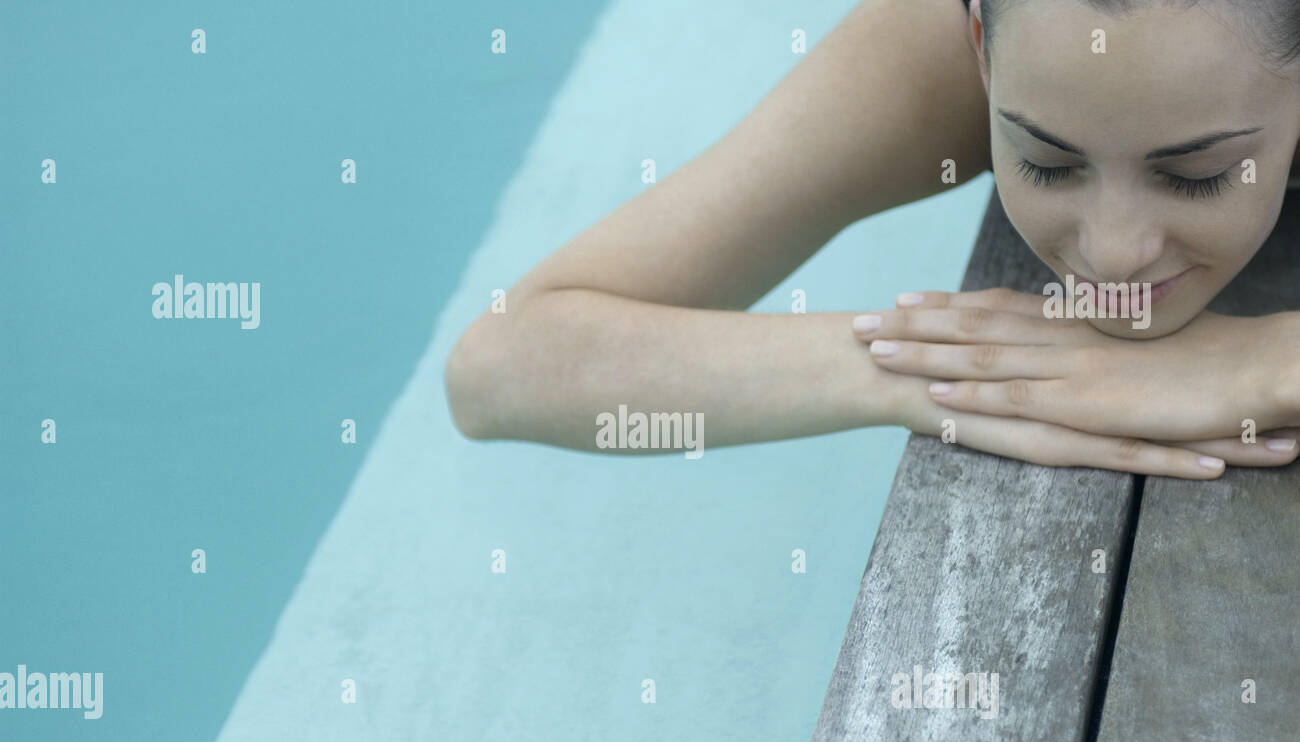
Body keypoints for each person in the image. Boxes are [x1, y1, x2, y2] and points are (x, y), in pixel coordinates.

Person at [445, 0, 1300, 479]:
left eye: (1197, 175)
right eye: (1045, 161)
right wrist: (935, 373)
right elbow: (500, 369)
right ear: (979, 48)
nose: (1114, 254)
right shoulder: (945, 45)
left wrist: (1272, 362)